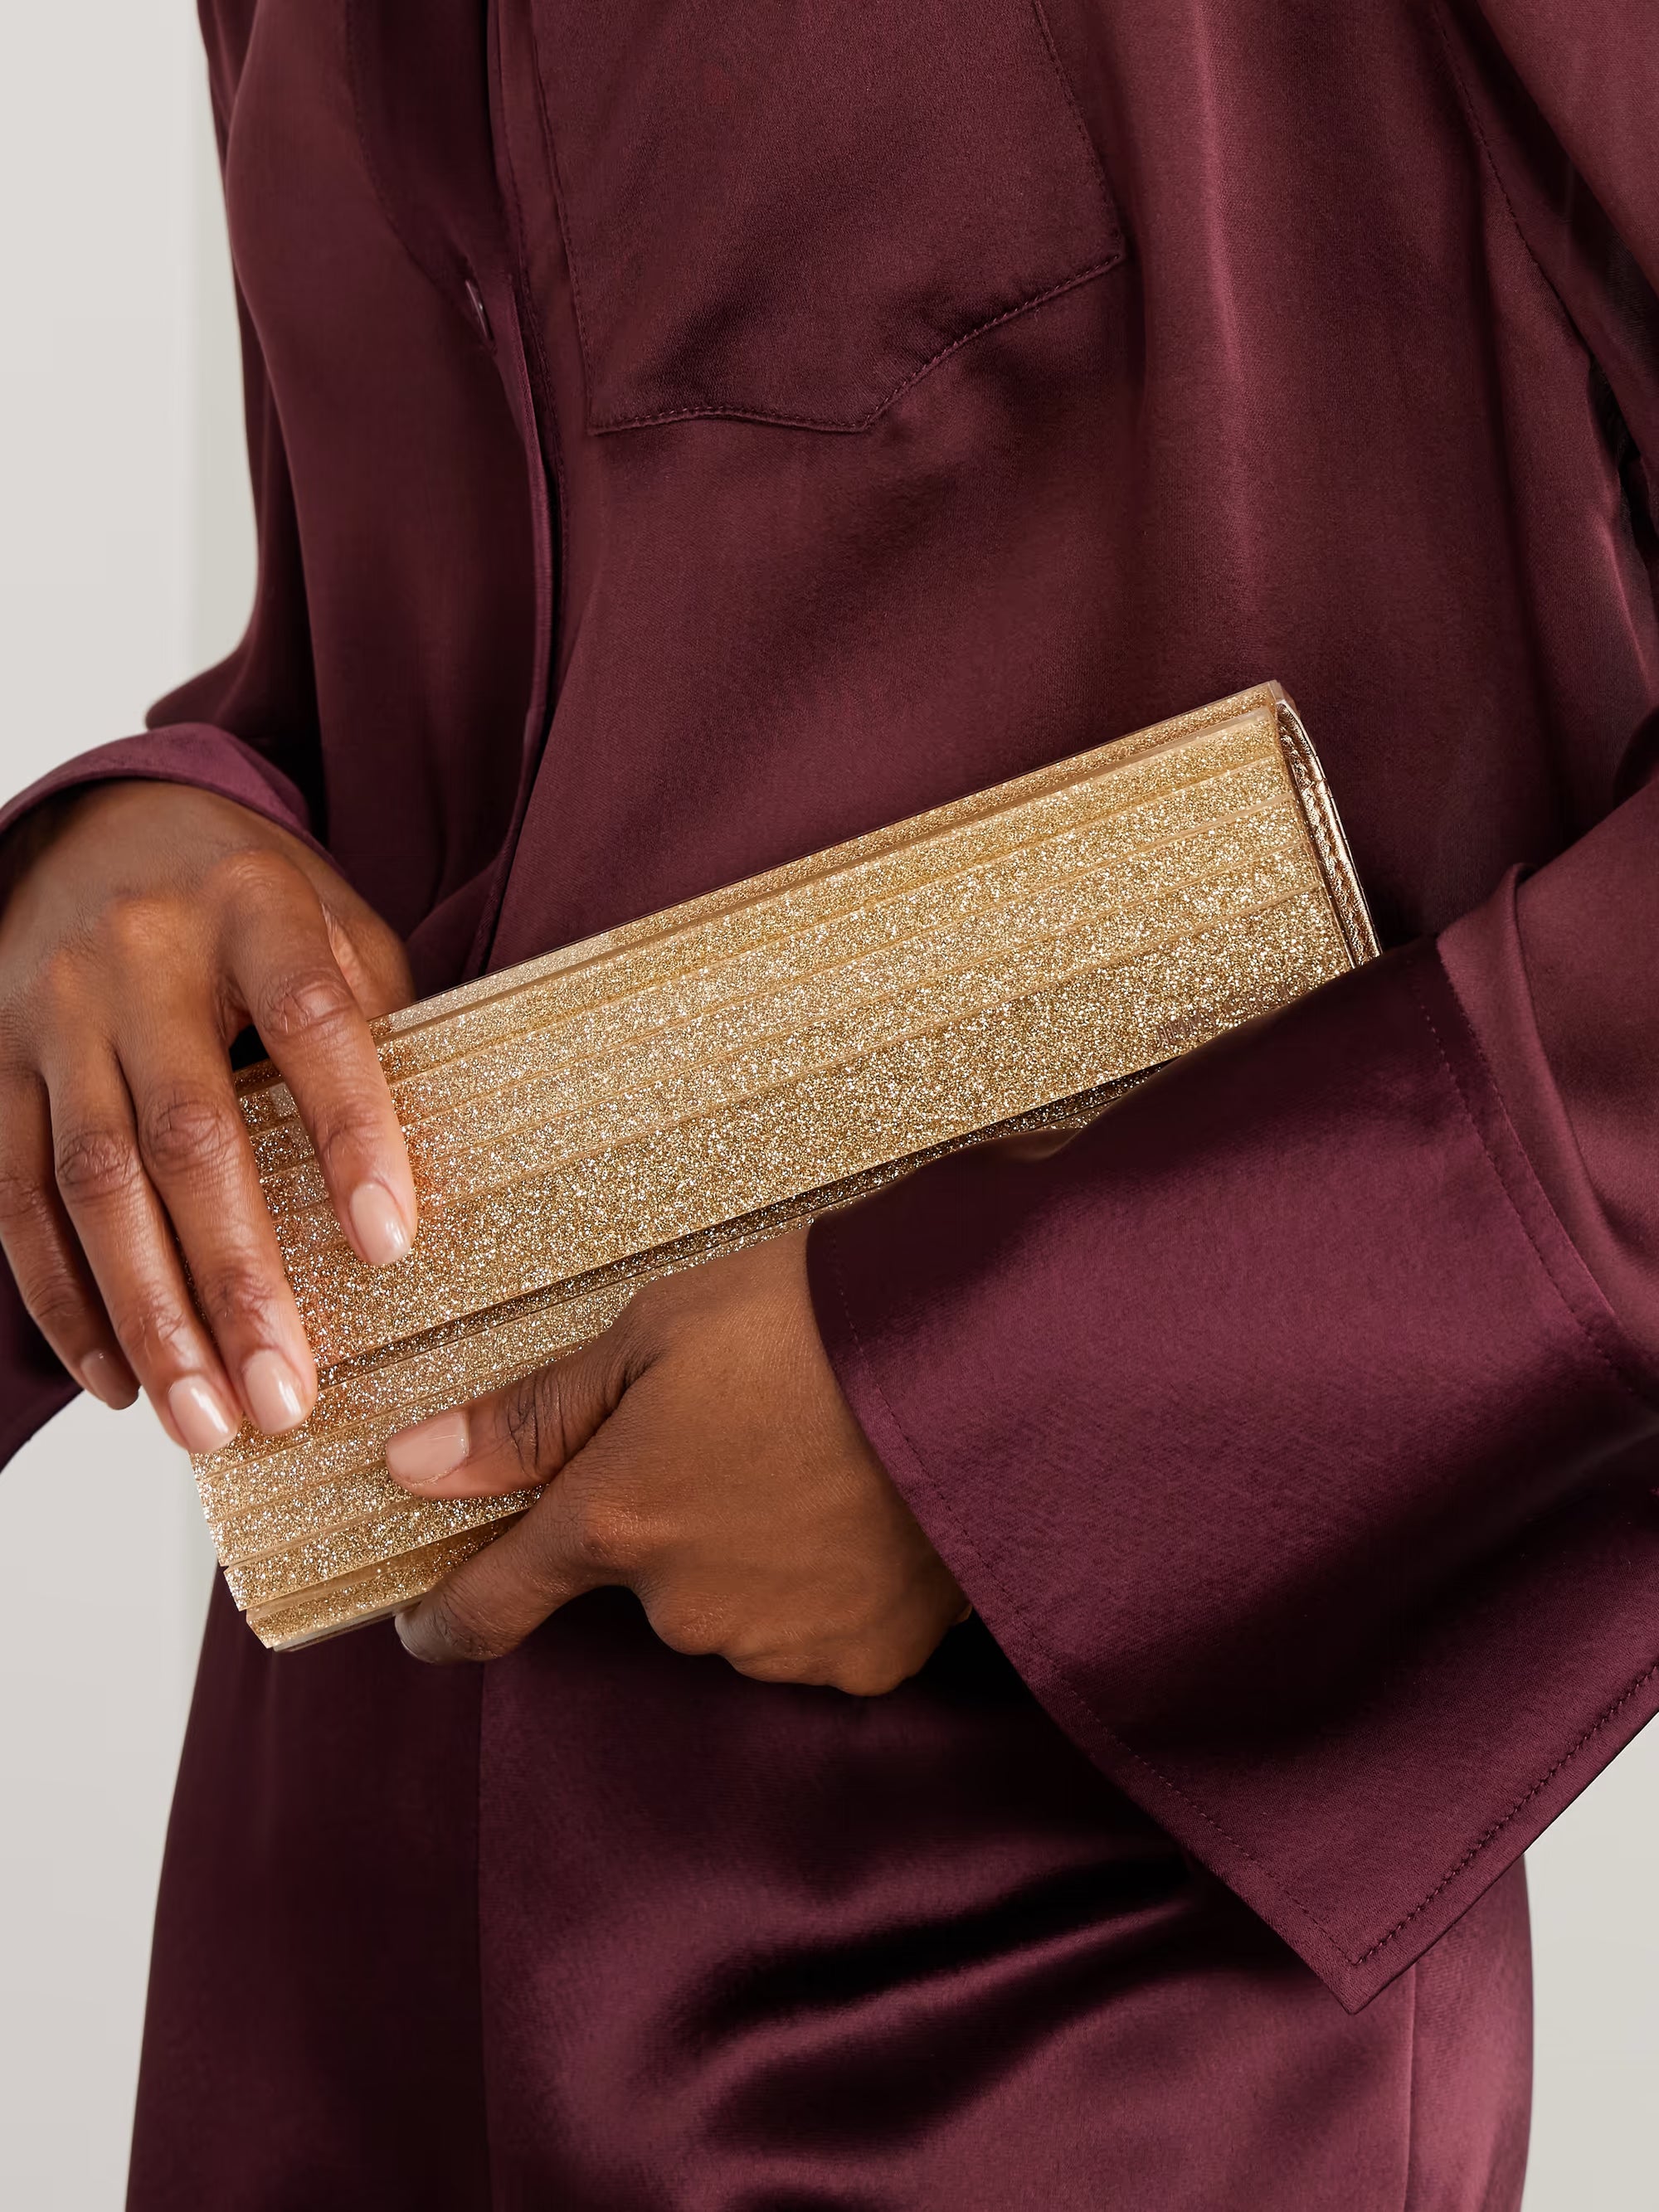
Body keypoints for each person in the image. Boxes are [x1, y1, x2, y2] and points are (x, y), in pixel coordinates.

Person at [0, 2, 1654, 2204]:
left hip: (1060, 2001)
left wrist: (985, 1409)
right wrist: (140, 848)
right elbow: (468, 707)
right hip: (327, 1944)